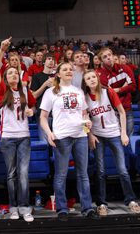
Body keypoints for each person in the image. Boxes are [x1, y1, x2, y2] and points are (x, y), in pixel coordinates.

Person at [40, 62, 99, 221]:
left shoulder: (78, 91)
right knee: (61, 175)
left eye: (70, 69)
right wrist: (49, 133)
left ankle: (87, 208)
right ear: (58, 74)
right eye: (64, 69)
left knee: (83, 174)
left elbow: (85, 115)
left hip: (80, 136)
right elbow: (43, 117)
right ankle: (62, 209)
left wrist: (88, 129)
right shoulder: (51, 92)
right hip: (61, 137)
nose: (68, 71)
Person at [82, 70, 140, 216]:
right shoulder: (84, 98)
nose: (91, 80)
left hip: (114, 133)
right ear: (85, 82)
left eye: (93, 77)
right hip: (98, 136)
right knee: (100, 171)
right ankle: (101, 203)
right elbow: (83, 120)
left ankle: (131, 200)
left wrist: (123, 133)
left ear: (98, 78)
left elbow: (122, 112)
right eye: (88, 78)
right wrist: (89, 135)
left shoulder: (108, 92)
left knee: (122, 169)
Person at [0, 37, 36, 222]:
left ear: (19, 76)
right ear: (5, 77)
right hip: (8, 138)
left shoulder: (25, 91)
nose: (13, 76)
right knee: (11, 174)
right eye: (9, 73)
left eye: (15, 74)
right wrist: (2, 51)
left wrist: (31, 111)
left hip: (24, 137)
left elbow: (33, 108)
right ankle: (14, 207)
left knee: (24, 173)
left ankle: (25, 206)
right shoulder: (2, 90)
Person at [96, 47, 136, 167]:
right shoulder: (100, 75)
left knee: (127, 140)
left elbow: (133, 86)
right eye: (105, 57)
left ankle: (130, 168)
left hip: (127, 110)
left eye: (110, 55)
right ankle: (117, 168)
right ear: (101, 60)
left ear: (113, 55)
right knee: (116, 143)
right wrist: (123, 87)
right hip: (113, 112)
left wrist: (116, 90)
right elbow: (107, 94)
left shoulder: (125, 68)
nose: (108, 58)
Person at [30, 53, 56, 141]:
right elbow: (33, 96)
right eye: (49, 59)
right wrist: (44, 85)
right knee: (45, 142)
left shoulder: (58, 76)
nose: (51, 61)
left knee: (58, 142)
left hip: (57, 113)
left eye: (53, 59)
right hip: (43, 113)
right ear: (44, 62)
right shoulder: (37, 76)